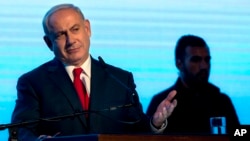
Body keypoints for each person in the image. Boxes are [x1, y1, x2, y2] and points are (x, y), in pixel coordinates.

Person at [9, 3, 177, 141]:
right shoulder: (33, 82)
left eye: (75, 29)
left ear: (87, 29)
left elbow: (137, 129)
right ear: (48, 42)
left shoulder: (119, 79)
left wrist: (155, 124)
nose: (71, 40)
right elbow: (20, 132)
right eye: (61, 34)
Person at [146, 34, 240, 135]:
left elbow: (239, 134)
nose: (204, 66)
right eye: (196, 60)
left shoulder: (222, 101)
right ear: (179, 64)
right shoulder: (162, 103)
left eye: (207, 60)